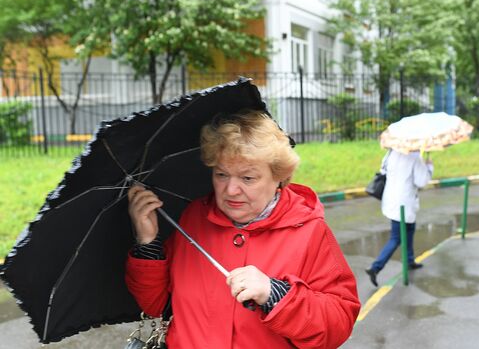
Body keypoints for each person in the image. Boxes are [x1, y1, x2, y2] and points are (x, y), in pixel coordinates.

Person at [125, 111, 360, 348]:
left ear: (279, 177)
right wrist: (148, 242)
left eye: (247, 178)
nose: (231, 190)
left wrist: (276, 295)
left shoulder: (309, 232)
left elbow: (338, 325)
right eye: (221, 174)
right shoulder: (193, 217)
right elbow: (155, 304)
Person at [365, 150, 433, 287]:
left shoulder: (391, 153)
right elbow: (421, 181)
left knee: (410, 228)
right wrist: (429, 167)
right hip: (405, 203)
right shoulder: (415, 157)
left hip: (392, 199)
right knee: (396, 238)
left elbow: (382, 170)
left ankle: (409, 260)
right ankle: (375, 267)